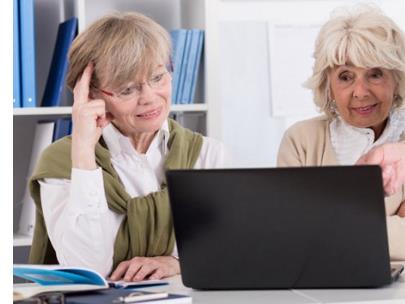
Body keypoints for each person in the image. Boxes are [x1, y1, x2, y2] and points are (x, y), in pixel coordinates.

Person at [28, 12, 228, 281]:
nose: (149, 98)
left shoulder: (206, 154)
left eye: (158, 78)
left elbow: (225, 247)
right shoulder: (62, 162)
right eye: (127, 90)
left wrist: (176, 262)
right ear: (92, 95)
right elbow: (87, 269)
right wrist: (84, 153)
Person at [277, 5, 405, 260]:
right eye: (346, 77)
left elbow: (313, 234)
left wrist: (325, 222)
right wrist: (391, 222)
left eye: (375, 74)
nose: (360, 91)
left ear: (397, 78)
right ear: (328, 86)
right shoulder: (301, 141)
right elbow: (291, 236)